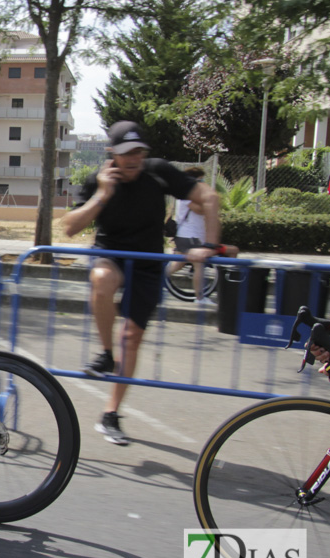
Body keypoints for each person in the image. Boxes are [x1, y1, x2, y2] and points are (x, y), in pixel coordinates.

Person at [61, 121, 225, 446]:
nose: (133, 159)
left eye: (138, 152)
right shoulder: (98, 179)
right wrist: (103, 195)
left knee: (132, 338)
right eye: (125, 153)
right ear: (112, 154)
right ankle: (106, 354)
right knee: (102, 278)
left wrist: (209, 246)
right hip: (112, 256)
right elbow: (68, 227)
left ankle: (111, 414)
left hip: (149, 265)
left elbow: (210, 198)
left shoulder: (158, 171)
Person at [165, 166, 238, 304]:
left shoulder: (188, 193)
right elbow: (201, 210)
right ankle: (200, 298)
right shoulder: (187, 195)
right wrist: (209, 204)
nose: (203, 183)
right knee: (198, 264)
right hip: (190, 236)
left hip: (189, 235)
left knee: (178, 265)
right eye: (201, 180)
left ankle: (154, 277)